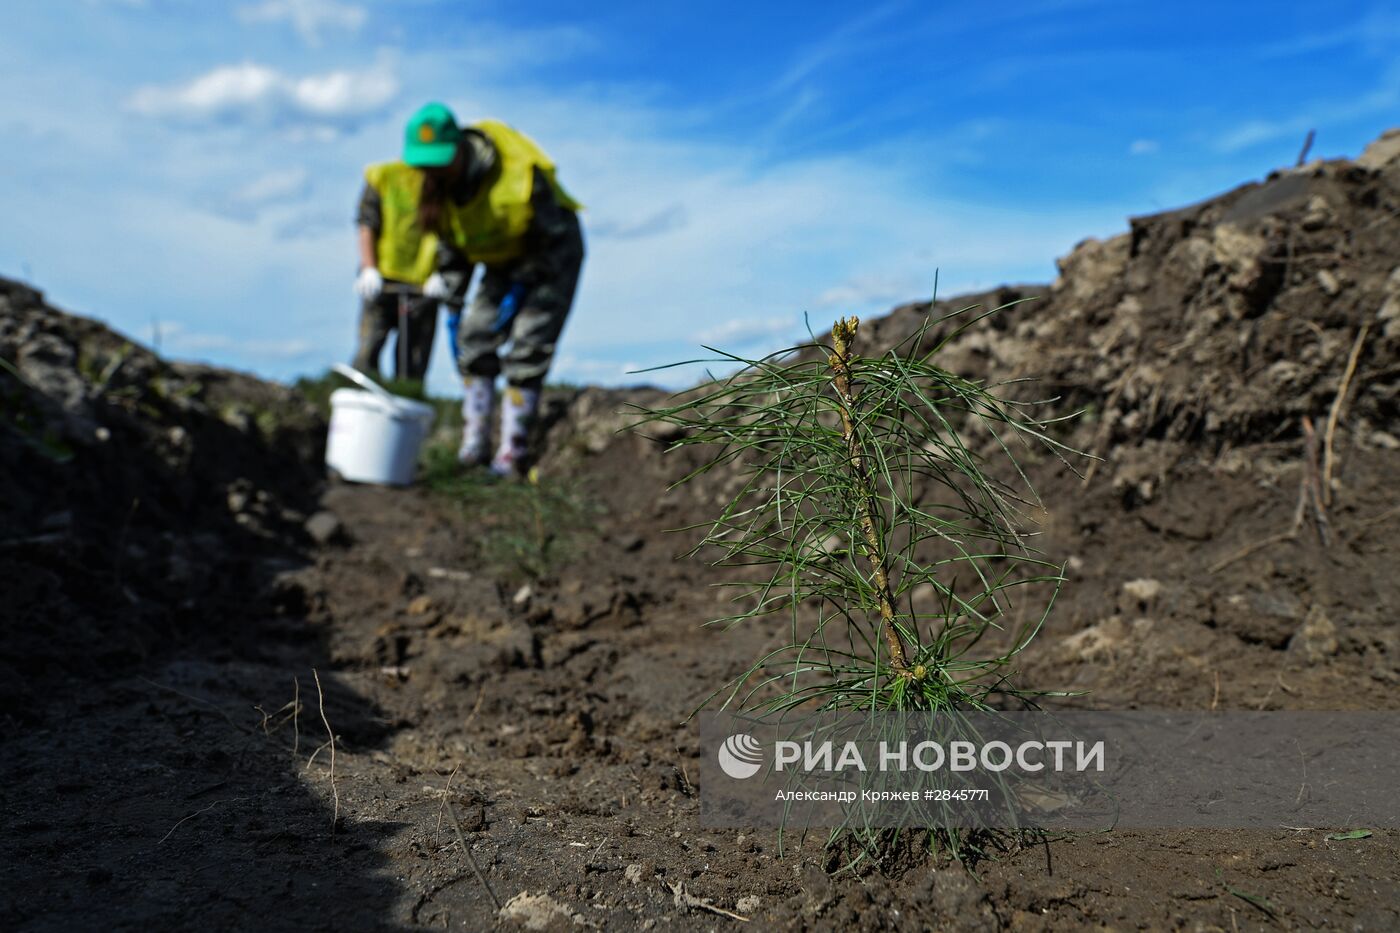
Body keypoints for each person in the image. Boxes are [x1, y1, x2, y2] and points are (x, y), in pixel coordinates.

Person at [357, 101, 584, 477]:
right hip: (499, 260)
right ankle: (474, 444)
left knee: (527, 345)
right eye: (425, 164)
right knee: (473, 338)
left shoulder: (517, 176)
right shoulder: (439, 190)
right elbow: (456, 248)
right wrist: (447, 284)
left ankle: (512, 453)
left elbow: (549, 236)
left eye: (439, 161)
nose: (432, 171)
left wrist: (521, 289)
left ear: (460, 149)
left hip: (549, 257)